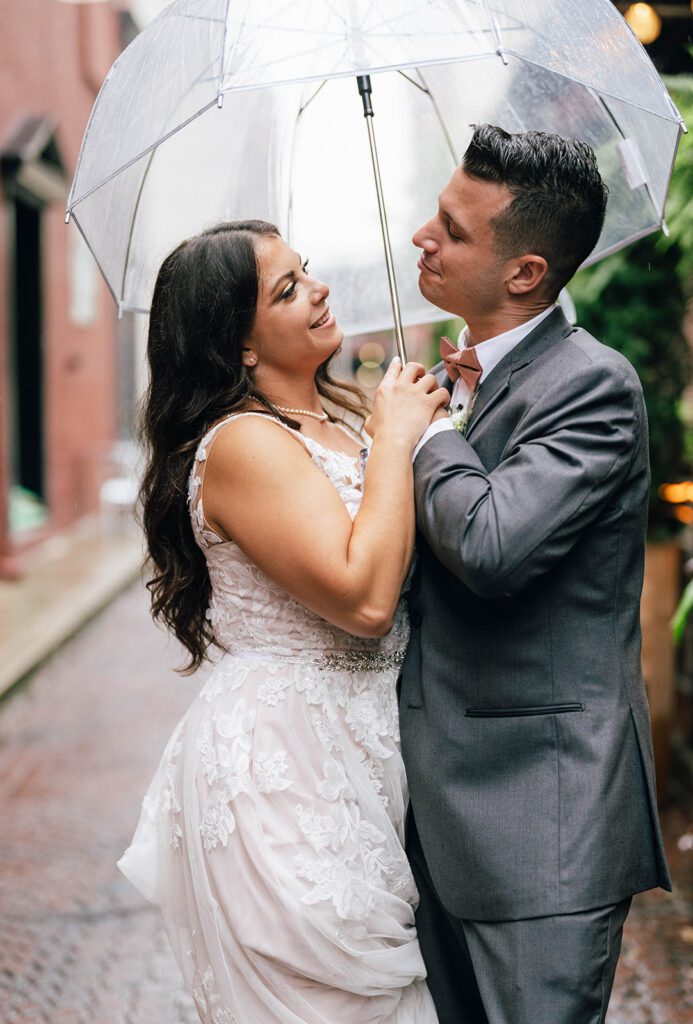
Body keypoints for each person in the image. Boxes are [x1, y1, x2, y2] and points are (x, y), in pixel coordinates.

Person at [117, 220, 447, 1023]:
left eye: (307, 272)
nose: (319, 289)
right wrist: (399, 441)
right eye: (287, 289)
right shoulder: (242, 446)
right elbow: (364, 601)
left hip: (371, 750)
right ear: (240, 346)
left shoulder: (345, 414)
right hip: (285, 770)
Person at [400, 124, 673, 1024]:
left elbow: (488, 544)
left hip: (540, 825)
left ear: (525, 272)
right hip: (440, 814)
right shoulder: (463, 380)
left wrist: (429, 433)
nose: (421, 238)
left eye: (453, 227)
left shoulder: (593, 385)